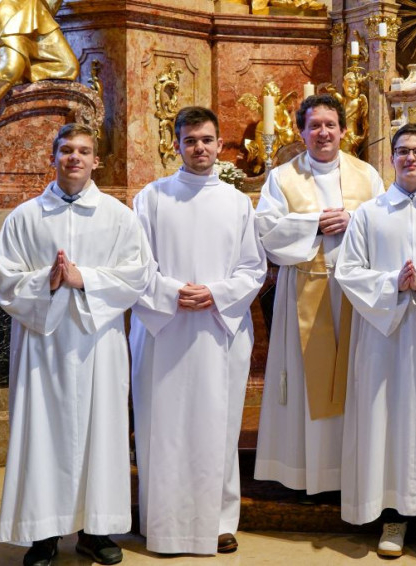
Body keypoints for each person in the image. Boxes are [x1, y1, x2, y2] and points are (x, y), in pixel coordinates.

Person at [0, 123, 151, 566]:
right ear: (53, 157)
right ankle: (43, 534)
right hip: (42, 344)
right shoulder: (25, 217)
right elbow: (3, 278)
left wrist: (85, 279)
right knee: (42, 434)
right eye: (66, 150)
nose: (74, 158)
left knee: (101, 431)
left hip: (97, 342)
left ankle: (95, 531)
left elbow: (138, 273)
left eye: (83, 151)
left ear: (96, 160)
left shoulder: (118, 216)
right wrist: (46, 282)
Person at [130, 106, 266, 555]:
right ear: (176, 146)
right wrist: (171, 292)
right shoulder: (151, 198)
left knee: (218, 427)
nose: (199, 148)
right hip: (164, 330)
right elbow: (135, 264)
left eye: (207, 140)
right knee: (162, 426)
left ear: (219, 143)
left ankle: (219, 522)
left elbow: (253, 268)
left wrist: (216, 293)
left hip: (216, 328)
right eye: (190, 141)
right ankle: (160, 521)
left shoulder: (236, 203)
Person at [336, 123, 416, 559]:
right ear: (391, 158)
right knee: (384, 418)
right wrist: (393, 283)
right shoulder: (370, 214)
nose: (411, 158)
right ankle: (391, 516)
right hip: (382, 335)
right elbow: (349, 271)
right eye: (403, 151)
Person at [254, 94, 383, 497]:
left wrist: (353, 219)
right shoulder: (282, 177)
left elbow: (385, 223)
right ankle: (305, 473)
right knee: (303, 382)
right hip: (303, 290)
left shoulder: (367, 175)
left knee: (354, 377)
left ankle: (351, 471)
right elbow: (267, 231)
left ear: (344, 130)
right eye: (314, 125)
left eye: (330, 124)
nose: (323, 132)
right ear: (301, 131)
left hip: (355, 295)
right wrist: (315, 223)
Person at [0, 0, 79, 127]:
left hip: (34, 5)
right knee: (10, 67)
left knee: (67, 66)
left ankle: (20, 70)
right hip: (8, 4)